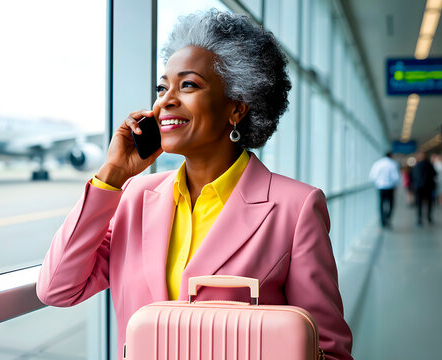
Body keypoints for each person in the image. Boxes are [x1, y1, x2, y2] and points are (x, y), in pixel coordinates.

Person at [36, 10, 352, 360]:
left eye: (187, 85)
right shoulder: (136, 198)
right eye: (162, 86)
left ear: (236, 108)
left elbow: (329, 350)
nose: (165, 100)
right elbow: (57, 289)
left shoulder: (296, 208)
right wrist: (112, 174)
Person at [369, 152, 400, 227]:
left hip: (380, 187)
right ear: (391, 156)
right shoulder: (393, 164)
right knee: (391, 204)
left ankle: (382, 220)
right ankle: (387, 218)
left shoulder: (378, 164)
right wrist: (396, 185)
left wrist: (378, 182)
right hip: (390, 187)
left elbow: (372, 176)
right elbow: (395, 177)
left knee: (381, 204)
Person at [410, 152, 436, 225]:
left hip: (418, 187)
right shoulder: (429, 165)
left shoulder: (416, 166)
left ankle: (419, 219)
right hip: (428, 187)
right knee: (429, 203)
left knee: (419, 204)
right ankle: (429, 217)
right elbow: (434, 174)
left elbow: (412, 177)